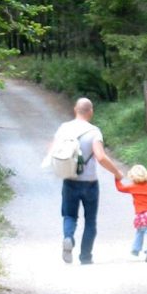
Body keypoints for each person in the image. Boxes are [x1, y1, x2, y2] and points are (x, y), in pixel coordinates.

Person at [53, 97, 123, 265]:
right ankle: (85, 257)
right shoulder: (94, 132)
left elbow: (54, 151)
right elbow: (101, 157)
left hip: (70, 179)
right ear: (90, 112)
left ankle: (68, 237)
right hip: (90, 182)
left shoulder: (64, 128)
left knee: (69, 215)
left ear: (75, 109)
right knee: (90, 220)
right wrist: (117, 172)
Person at [114, 164, 147, 263]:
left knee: (139, 232)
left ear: (132, 176)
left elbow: (120, 188)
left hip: (141, 214)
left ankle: (135, 249)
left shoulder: (133, 187)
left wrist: (117, 179)